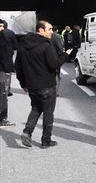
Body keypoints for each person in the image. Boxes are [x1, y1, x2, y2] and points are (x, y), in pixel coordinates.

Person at [15, 20, 69, 148]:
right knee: (48, 112)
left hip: (32, 86)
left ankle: (27, 132)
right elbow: (54, 65)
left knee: (36, 108)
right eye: (49, 29)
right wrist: (65, 55)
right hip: (47, 86)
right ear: (41, 30)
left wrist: (23, 83)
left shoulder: (23, 45)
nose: (52, 32)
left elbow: (18, 67)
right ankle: (46, 140)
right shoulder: (46, 45)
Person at [0, 19, 16, 126]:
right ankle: (2, 119)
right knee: (3, 93)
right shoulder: (8, 35)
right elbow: (15, 47)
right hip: (3, 69)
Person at [1, 19, 17, 98]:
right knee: (7, 74)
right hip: (7, 56)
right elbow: (15, 45)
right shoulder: (10, 33)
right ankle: (6, 91)